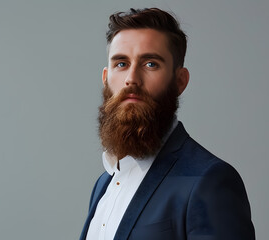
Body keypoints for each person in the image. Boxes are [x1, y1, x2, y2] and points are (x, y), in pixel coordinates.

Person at [80, 8, 255, 240]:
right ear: (105, 78)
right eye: (121, 64)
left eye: (150, 64)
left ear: (180, 81)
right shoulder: (104, 184)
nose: (131, 78)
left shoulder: (209, 180)